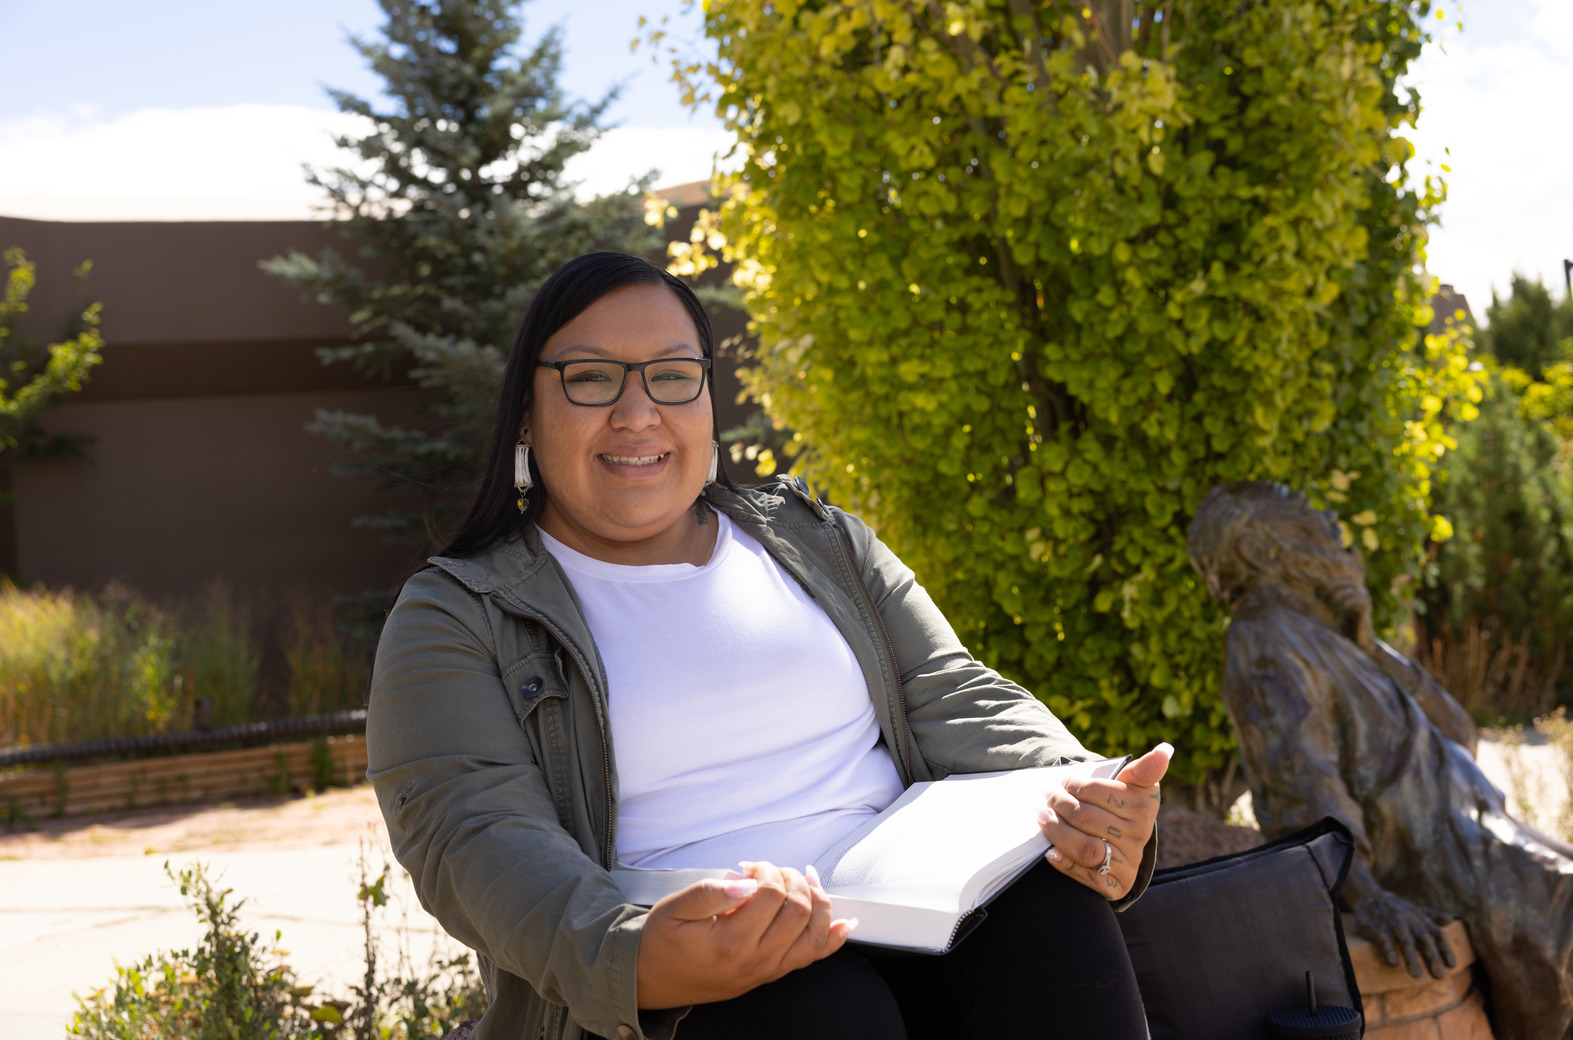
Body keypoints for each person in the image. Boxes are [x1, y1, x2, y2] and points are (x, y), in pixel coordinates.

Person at [366, 252, 1170, 1040]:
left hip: (918, 917)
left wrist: (1087, 797)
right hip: (692, 990)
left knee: (1052, 915)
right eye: (590, 378)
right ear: (526, 414)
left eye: (672, 375)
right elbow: (474, 836)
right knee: (817, 1009)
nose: (638, 412)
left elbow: (956, 691)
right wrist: (634, 954)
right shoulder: (455, 615)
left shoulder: (817, 541)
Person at [1187, 481, 1573, 1040]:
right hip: (1437, 861)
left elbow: (1459, 731)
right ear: (1264, 551)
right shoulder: (1266, 639)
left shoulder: (1329, 638)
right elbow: (1300, 785)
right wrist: (1367, 895)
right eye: (1307, 517)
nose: (1332, 525)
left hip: (1485, 837)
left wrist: (1370, 648)